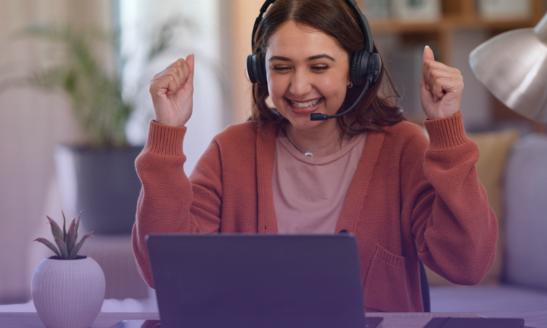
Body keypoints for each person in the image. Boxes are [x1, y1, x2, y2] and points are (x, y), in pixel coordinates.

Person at [132, 0, 497, 313]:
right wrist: (168, 132)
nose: (298, 86)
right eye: (281, 66)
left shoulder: (402, 148)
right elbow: (162, 267)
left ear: (358, 70)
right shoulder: (232, 151)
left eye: (319, 66)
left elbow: (468, 263)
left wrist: (446, 128)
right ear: (261, 70)